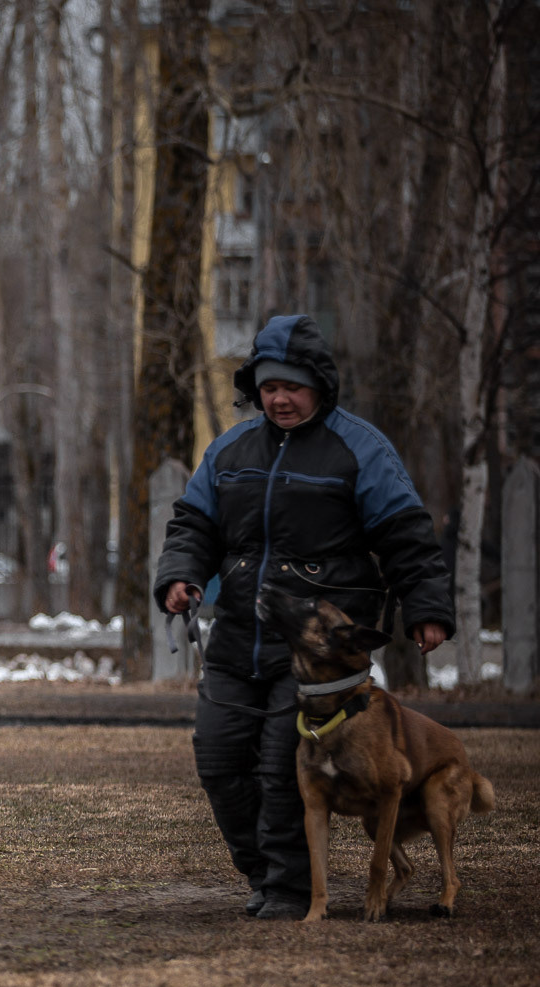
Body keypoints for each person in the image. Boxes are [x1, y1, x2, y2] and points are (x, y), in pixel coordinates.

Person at [155, 314, 453, 919]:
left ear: (319, 385)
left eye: (292, 386)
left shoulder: (361, 448)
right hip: (236, 635)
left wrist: (426, 607)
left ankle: (291, 890)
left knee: (279, 768)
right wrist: (181, 575)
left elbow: (407, 535)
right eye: (269, 387)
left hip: (319, 652)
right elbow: (193, 525)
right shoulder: (230, 449)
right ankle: (264, 876)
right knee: (218, 760)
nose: (279, 399)